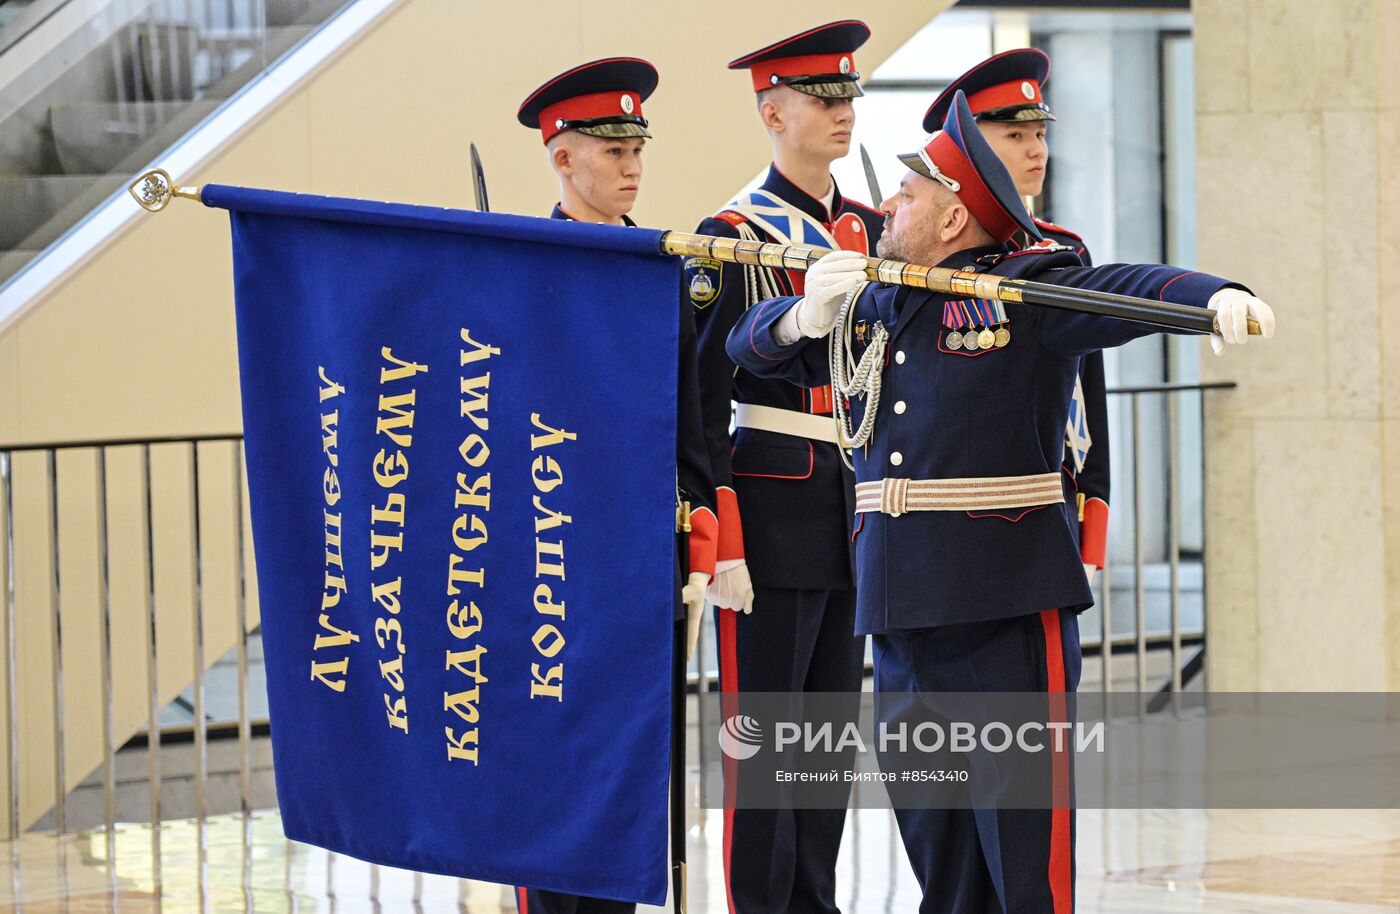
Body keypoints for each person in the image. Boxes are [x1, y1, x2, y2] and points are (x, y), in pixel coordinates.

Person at [724, 90, 1275, 914]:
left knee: (1026, 862)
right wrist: (801, 316)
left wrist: (1213, 298)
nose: (885, 205)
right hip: (902, 616)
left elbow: (1122, 286)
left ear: (951, 220)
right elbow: (746, 351)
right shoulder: (880, 299)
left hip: (1003, 612)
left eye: (907, 196)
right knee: (940, 859)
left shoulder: (1025, 290)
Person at [687, 19, 883, 914]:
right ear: (772, 111)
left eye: (848, 96)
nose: (843, 112)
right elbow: (699, 394)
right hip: (769, 514)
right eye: (821, 98)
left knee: (828, 751)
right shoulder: (731, 232)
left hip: (857, 516)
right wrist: (718, 533)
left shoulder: (875, 228)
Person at [513, 56, 716, 914]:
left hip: (639, 560)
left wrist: (703, 537)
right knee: (549, 766)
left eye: (639, 146)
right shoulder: (516, 269)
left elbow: (693, 416)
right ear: (562, 159)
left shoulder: (660, 264)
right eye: (611, 148)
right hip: (545, 558)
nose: (633, 164)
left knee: (631, 765)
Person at [922, 48, 1112, 586]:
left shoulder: (1066, 251)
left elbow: (1087, 389)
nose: (1036, 150)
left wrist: (1095, 510)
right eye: (1015, 136)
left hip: (1060, 485)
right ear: (973, 147)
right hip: (972, 496)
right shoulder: (945, 254)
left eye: (1040, 134)